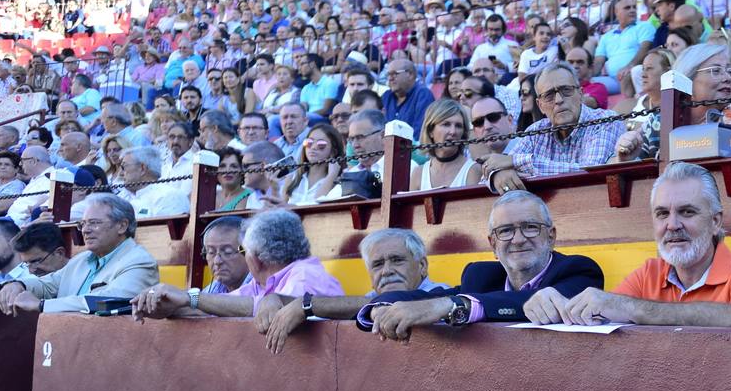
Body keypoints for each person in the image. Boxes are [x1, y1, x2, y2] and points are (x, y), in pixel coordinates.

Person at [524, 162, 731, 328]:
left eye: (687, 212)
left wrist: (632, 308)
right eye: (662, 214)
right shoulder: (649, 273)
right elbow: (604, 312)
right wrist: (557, 306)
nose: (672, 225)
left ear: (715, 221)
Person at [360, 191, 604, 337]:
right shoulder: (481, 276)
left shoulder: (580, 270)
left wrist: (454, 306)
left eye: (530, 227)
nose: (518, 239)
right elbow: (429, 297)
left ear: (551, 236)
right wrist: (380, 307)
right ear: (492, 243)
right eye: (506, 231)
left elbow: (528, 303)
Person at [255, 228, 448, 353]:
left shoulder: (441, 293)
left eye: (397, 260)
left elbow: (397, 304)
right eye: (378, 265)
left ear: (422, 265)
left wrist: (307, 304)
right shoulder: (372, 297)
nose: (387, 271)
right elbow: (343, 308)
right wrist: (274, 298)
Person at [131, 209, 344, 320]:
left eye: (241, 250)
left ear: (256, 256)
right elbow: (218, 307)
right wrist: (167, 308)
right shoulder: (260, 284)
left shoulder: (305, 275)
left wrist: (189, 297)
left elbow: (269, 309)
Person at [0, 193, 159, 315]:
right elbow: (48, 285)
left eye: (94, 223)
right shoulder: (82, 259)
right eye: (83, 224)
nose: (86, 230)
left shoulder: (139, 261)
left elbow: (108, 302)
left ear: (122, 226)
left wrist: (42, 306)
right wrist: (18, 285)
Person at [480, 63, 623, 186]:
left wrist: (515, 162)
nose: (559, 100)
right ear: (540, 105)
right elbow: (490, 173)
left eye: (566, 90)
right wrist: (498, 175)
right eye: (549, 95)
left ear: (580, 94)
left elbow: (590, 171)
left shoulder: (606, 121)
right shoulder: (536, 131)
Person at [417, 98, 482, 190]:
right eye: (446, 124)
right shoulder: (418, 174)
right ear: (431, 131)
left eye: (458, 126)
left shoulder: (473, 170)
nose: (453, 132)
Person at [119, 146, 192, 217]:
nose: (120, 173)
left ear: (142, 168)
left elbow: (164, 229)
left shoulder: (169, 196)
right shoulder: (122, 197)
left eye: (124, 167)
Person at [282, 124, 344, 205]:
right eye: (309, 142)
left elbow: (318, 205)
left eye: (321, 144)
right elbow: (281, 208)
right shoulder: (293, 178)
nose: (313, 147)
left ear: (333, 151)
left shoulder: (337, 183)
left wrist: (331, 176)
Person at [380, 56, 435, 130]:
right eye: (388, 75)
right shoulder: (386, 96)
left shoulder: (423, 95)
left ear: (410, 75)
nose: (390, 78)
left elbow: (420, 132)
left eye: (394, 74)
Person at [199, 215, 250, 293]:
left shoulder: (262, 289)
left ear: (248, 253)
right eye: (211, 252)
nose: (217, 261)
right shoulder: (214, 288)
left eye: (227, 252)